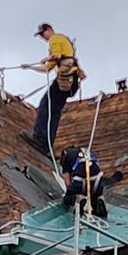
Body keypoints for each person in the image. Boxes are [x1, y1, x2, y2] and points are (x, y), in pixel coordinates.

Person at [21, 23, 86, 158]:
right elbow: (47, 69)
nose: (42, 38)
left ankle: (40, 139)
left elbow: (56, 56)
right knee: (54, 111)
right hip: (70, 81)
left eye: (42, 34)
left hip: (65, 79)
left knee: (45, 105)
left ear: (49, 30)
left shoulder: (55, 39)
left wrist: (45, 59)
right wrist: (29, 67)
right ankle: (47, 144)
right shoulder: (63, 41)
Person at [60, 146, 111, 217]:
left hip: (80, 179)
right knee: (93, 196)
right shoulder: (85, 152)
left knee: (68, 198)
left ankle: (77, 199)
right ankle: (98, 199)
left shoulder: (66, 155)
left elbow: (67, 182)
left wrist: (71, 191)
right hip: (97, 178)